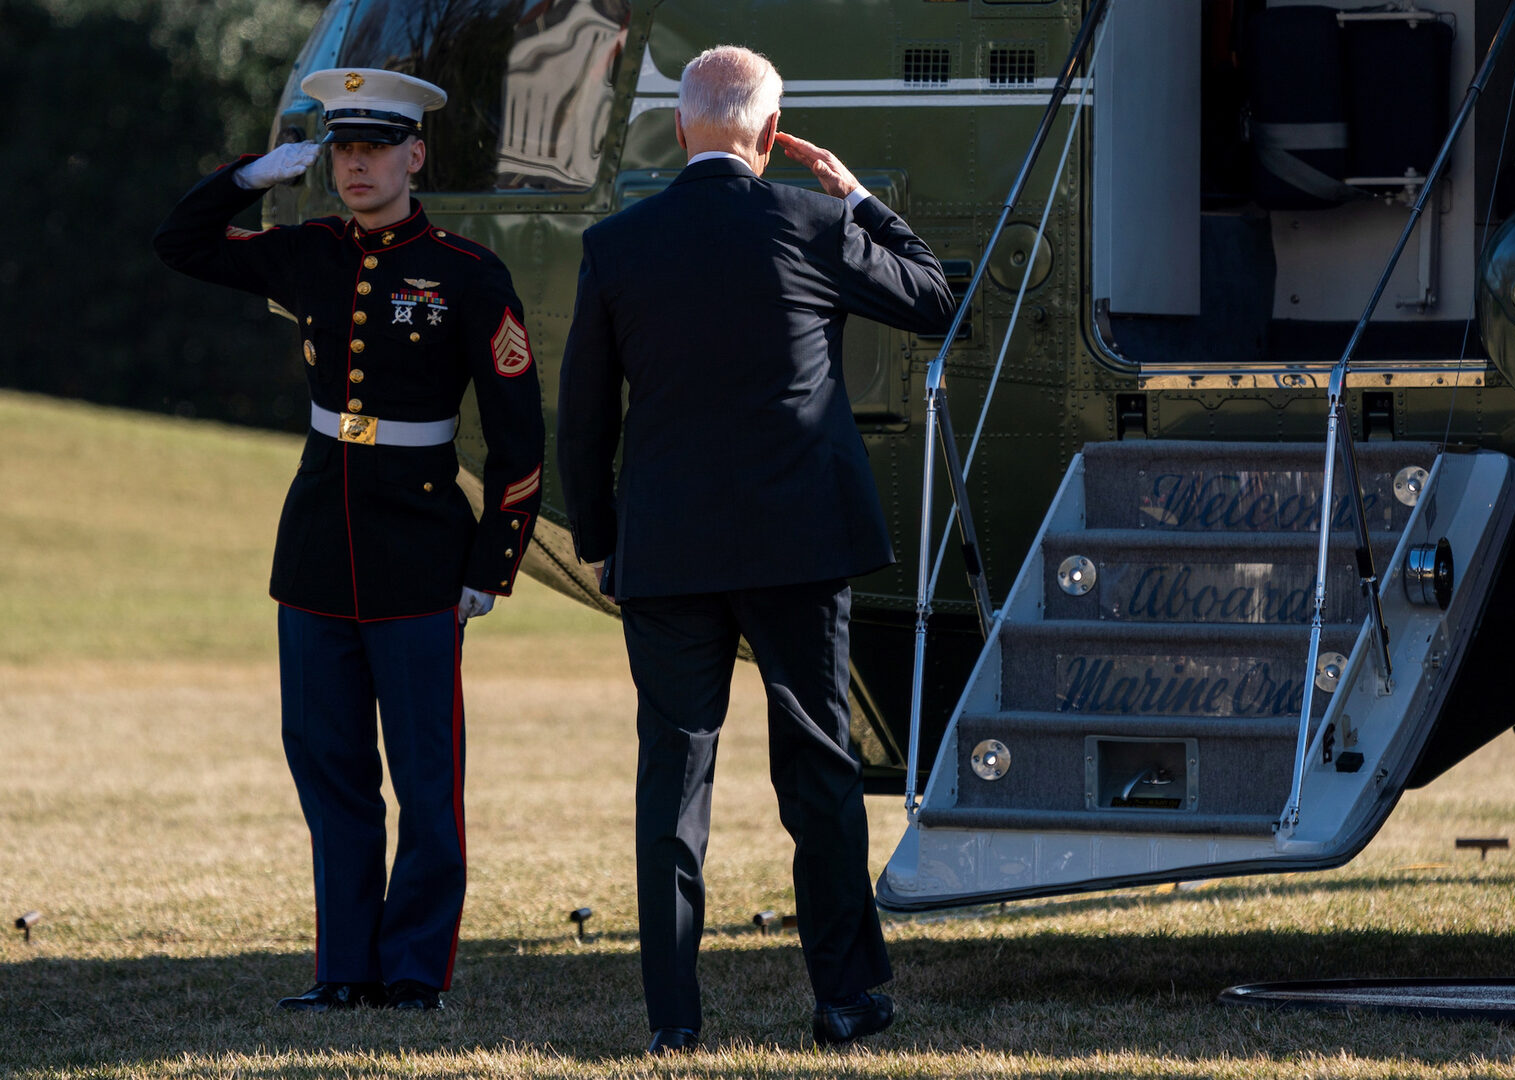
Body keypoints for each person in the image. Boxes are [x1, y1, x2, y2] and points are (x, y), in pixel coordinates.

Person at [556, 45, 955, 1052]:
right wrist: (859, 199)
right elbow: (934, 300)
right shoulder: (813, 222)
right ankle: (846, 997)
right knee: (818, 769)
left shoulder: (617, 245)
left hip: (668, 551)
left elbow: (585, 417)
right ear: (771, 135)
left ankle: (673, 1021)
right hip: (797, 544)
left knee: (673, 782)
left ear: (679, 127)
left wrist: (600, 540)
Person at [154, 68, 546, 1012]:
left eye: (375, 147)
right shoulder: (309, 252)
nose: (356, 164)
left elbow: (520, 441)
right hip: (318, 549)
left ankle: (411, 972)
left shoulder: (467, 273)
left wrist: (492, 564)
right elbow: (180, 243)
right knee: (329, 769)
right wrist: (250, 175)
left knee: (424, 779)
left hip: (421, 553)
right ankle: (344, 968)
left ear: (416, 156)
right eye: (343, 149)